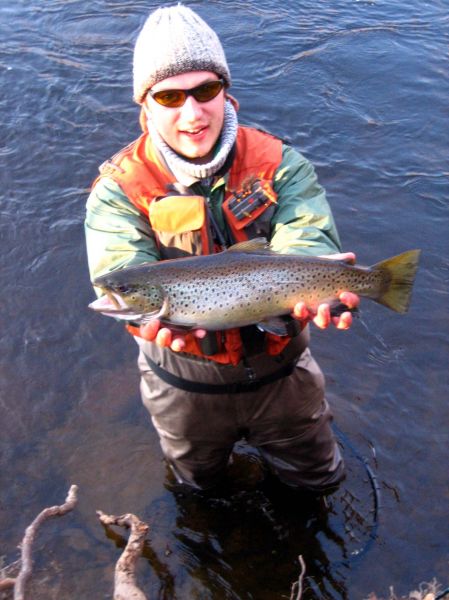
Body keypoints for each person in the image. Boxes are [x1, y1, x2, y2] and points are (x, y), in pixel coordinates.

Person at [85, 4, 359, 495]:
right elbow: (122, 267)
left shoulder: (280, 164)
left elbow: (307, 235)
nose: (192, 114)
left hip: (283, 374)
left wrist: (320, 279)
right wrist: (144, 315)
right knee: (199, 489)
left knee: (319, 482)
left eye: (205, 91)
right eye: (170, 96)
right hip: (183, 385)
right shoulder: (119, 189)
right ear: (145, 106)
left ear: (226, 92)